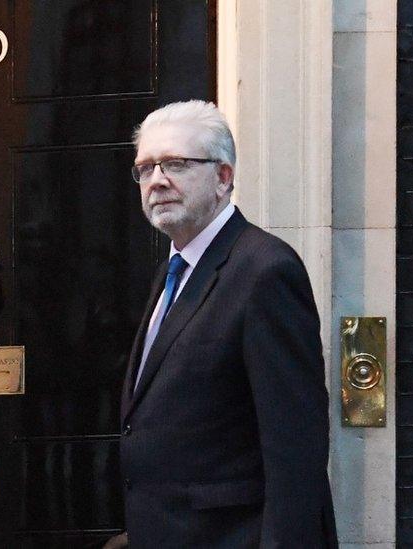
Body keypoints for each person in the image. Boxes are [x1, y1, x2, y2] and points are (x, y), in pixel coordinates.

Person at [117, 101, 337, 547]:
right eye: (145, 168)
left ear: (223, 177)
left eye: (176, 164)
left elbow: (295, 448)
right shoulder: (171, 273)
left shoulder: (264, 270)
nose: (157, 181)